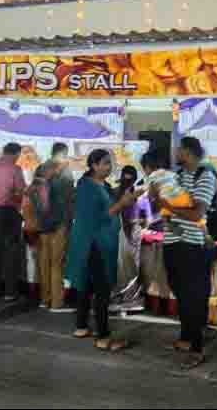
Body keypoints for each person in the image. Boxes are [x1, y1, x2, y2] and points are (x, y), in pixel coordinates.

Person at [66, 149, 143, 352]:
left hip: (99, 241)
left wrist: (128, 199)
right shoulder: (88, 187)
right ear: (94, 165)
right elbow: (100, 215)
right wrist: (122, 203)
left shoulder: (102, 186)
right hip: (94, 243)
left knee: (87, 285)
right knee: (101, 289)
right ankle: (103, 336)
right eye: (106, 163)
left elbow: (111, 207)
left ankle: (82, 326)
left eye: (111, 163)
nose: (110, 167)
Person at [154, 137, 217, 369]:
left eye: (179, 150)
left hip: (192, 244)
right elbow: (162, 206)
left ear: (188, 153)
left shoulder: (206, 177)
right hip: (172, 241)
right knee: (180, 293)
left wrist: (168, 206)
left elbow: (197, 214)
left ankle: (197, 349)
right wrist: (157, 197)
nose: (176, 153)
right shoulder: (177, 176)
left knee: (192, 297)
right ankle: (186, 337)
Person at [0, 143, 27, 303]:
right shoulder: (15, 169)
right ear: (16, 153)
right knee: (10, 252)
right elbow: (20, 191)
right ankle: (10, 291)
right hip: (9, 212)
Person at [35, 142, 75, 313]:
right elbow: (69, 198)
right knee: (57, 262)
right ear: (64, 153)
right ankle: (57, 302)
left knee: (44, 260)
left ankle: (45, 299)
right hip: (60, 221)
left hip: (43, 221)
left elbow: (35, 194)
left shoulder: (40, 168)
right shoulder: (65, 170)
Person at [111, 165, 151, 314]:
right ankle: (124, 300)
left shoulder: (117, 193)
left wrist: (136, 222)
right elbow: (147, 220)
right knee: (125, 268)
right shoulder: (137, 195)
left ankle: (123, 300)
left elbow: (147, 219)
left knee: (127, 268)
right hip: (122, 233)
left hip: (129, 233)